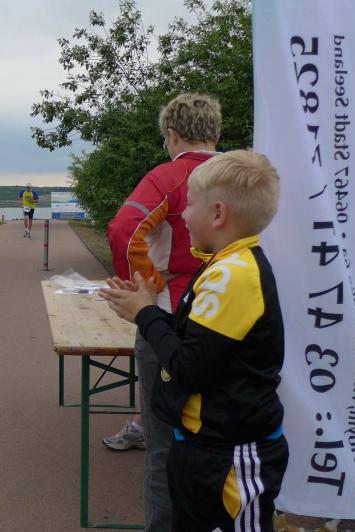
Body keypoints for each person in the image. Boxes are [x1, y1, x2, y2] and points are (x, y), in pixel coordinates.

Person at [99, 150, 288, 532]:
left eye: (189, 205)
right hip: (205, 446)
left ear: (217, 214)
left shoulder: (234, 274)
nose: (183, 215)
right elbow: (199, 342)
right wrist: (146, 307)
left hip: (230, 454)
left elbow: (188, 367)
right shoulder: (222, 264)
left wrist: (145, 314)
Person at [102, 93, 222, 531]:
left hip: (171, 313)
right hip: (234, 310)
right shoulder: (243, 173)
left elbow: (124, 229)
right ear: (215, 132)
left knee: (163, 441)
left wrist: (143, 287)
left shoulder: (170, 175)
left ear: (172, 135)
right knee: (223, 433)